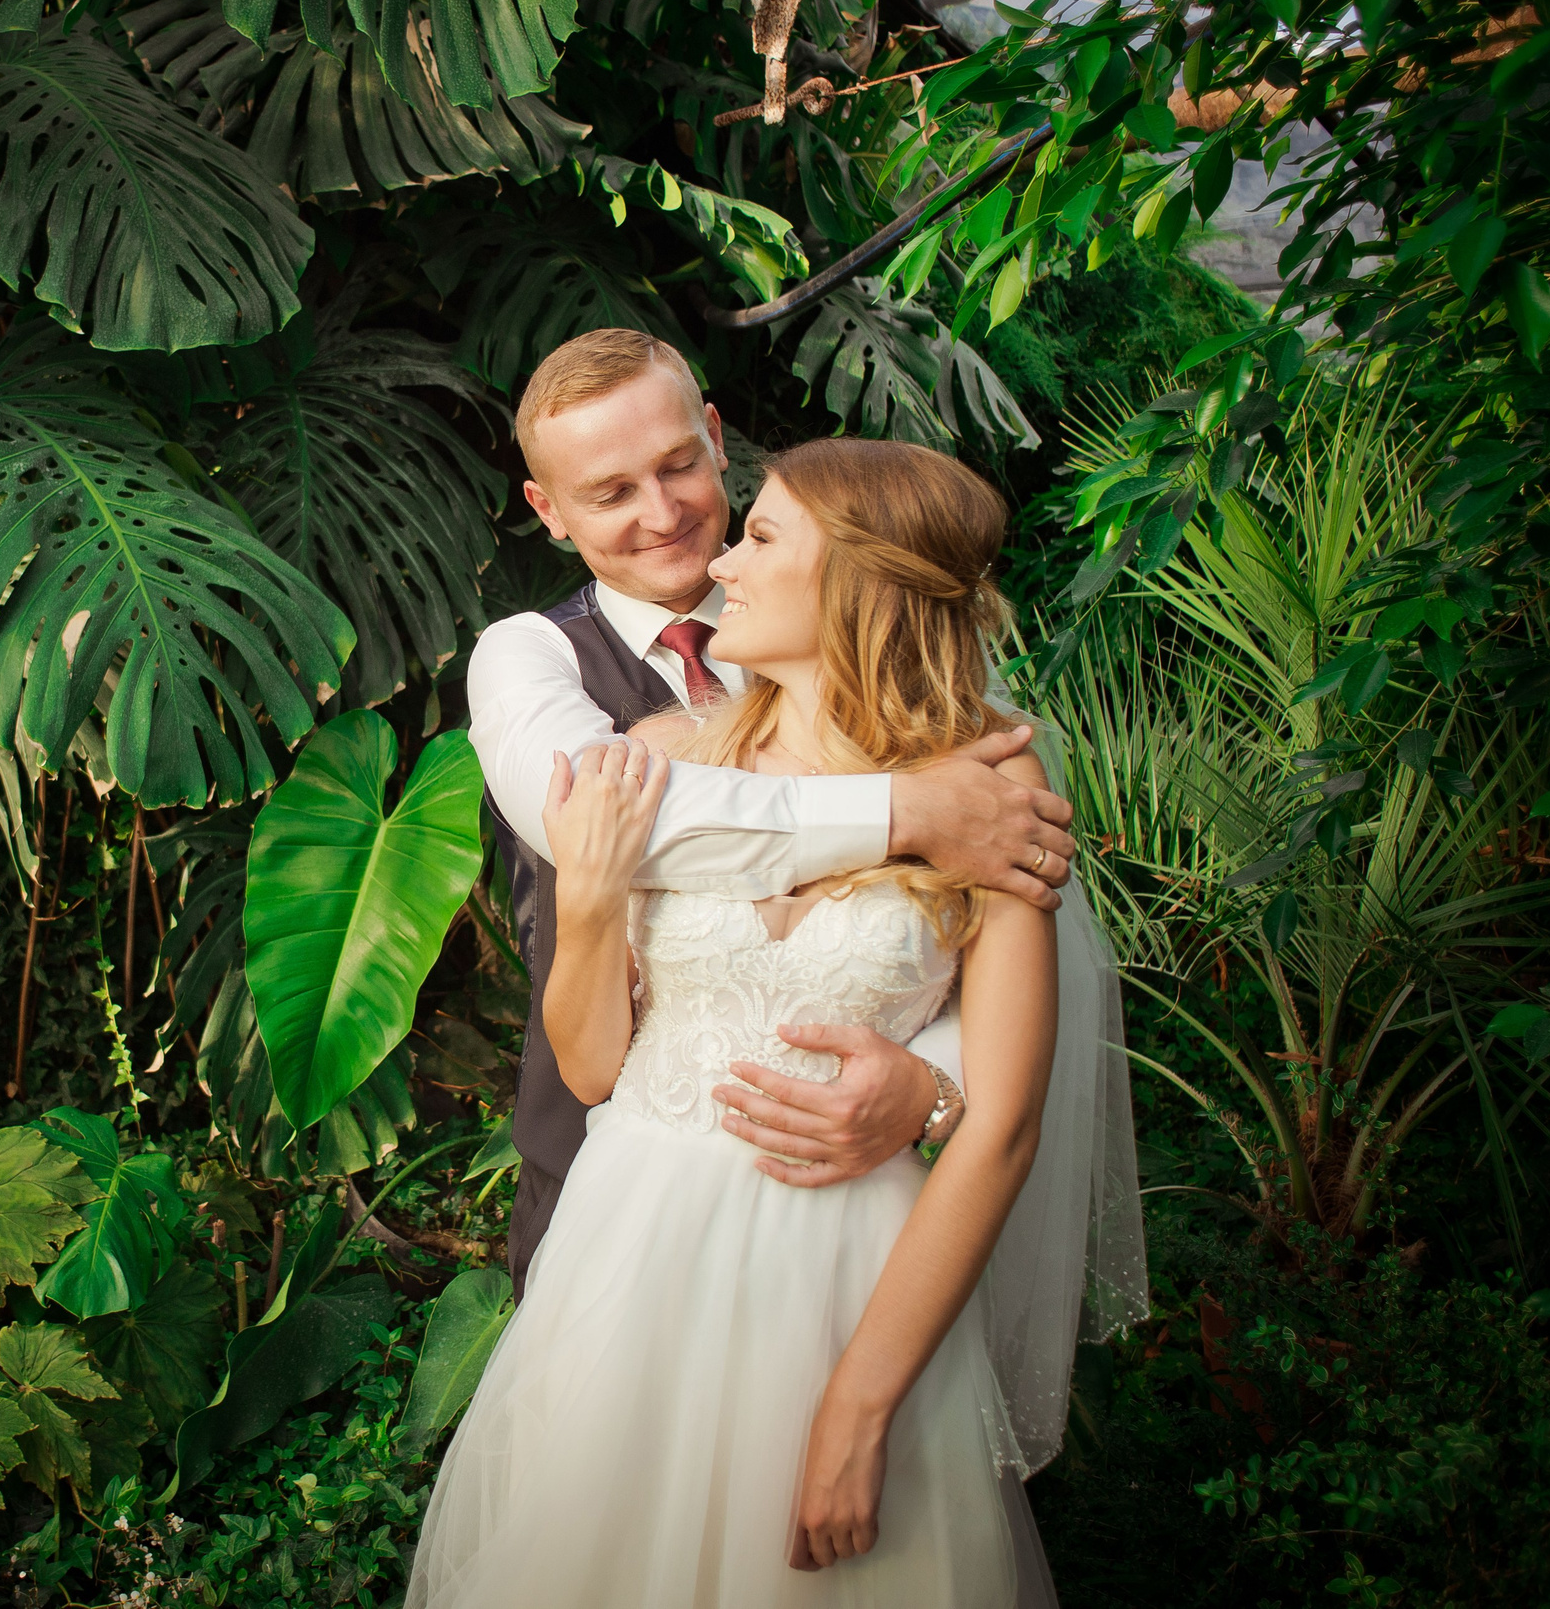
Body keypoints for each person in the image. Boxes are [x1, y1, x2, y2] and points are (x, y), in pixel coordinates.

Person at [407, 437, 1144, 1609]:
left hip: (849, 1281)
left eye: (759, 537)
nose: (720, 565)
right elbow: (592, 1068)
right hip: (632, 1264)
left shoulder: (990, 790)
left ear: (856, 578)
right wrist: (590, 900)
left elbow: (1003, 1125)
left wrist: (860, 1401)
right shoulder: (661, 758)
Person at [465, 330, 1078, 1285]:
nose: (664, 513)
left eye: (678, 464)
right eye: (612, 492)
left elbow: (991, 951)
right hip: (603, 1193)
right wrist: (910, 811)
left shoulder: (869, 631)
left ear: (716, 438)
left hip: (857, 1216)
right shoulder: (529, 656)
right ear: (547, 510)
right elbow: (619, 821)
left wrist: (936, 1081)